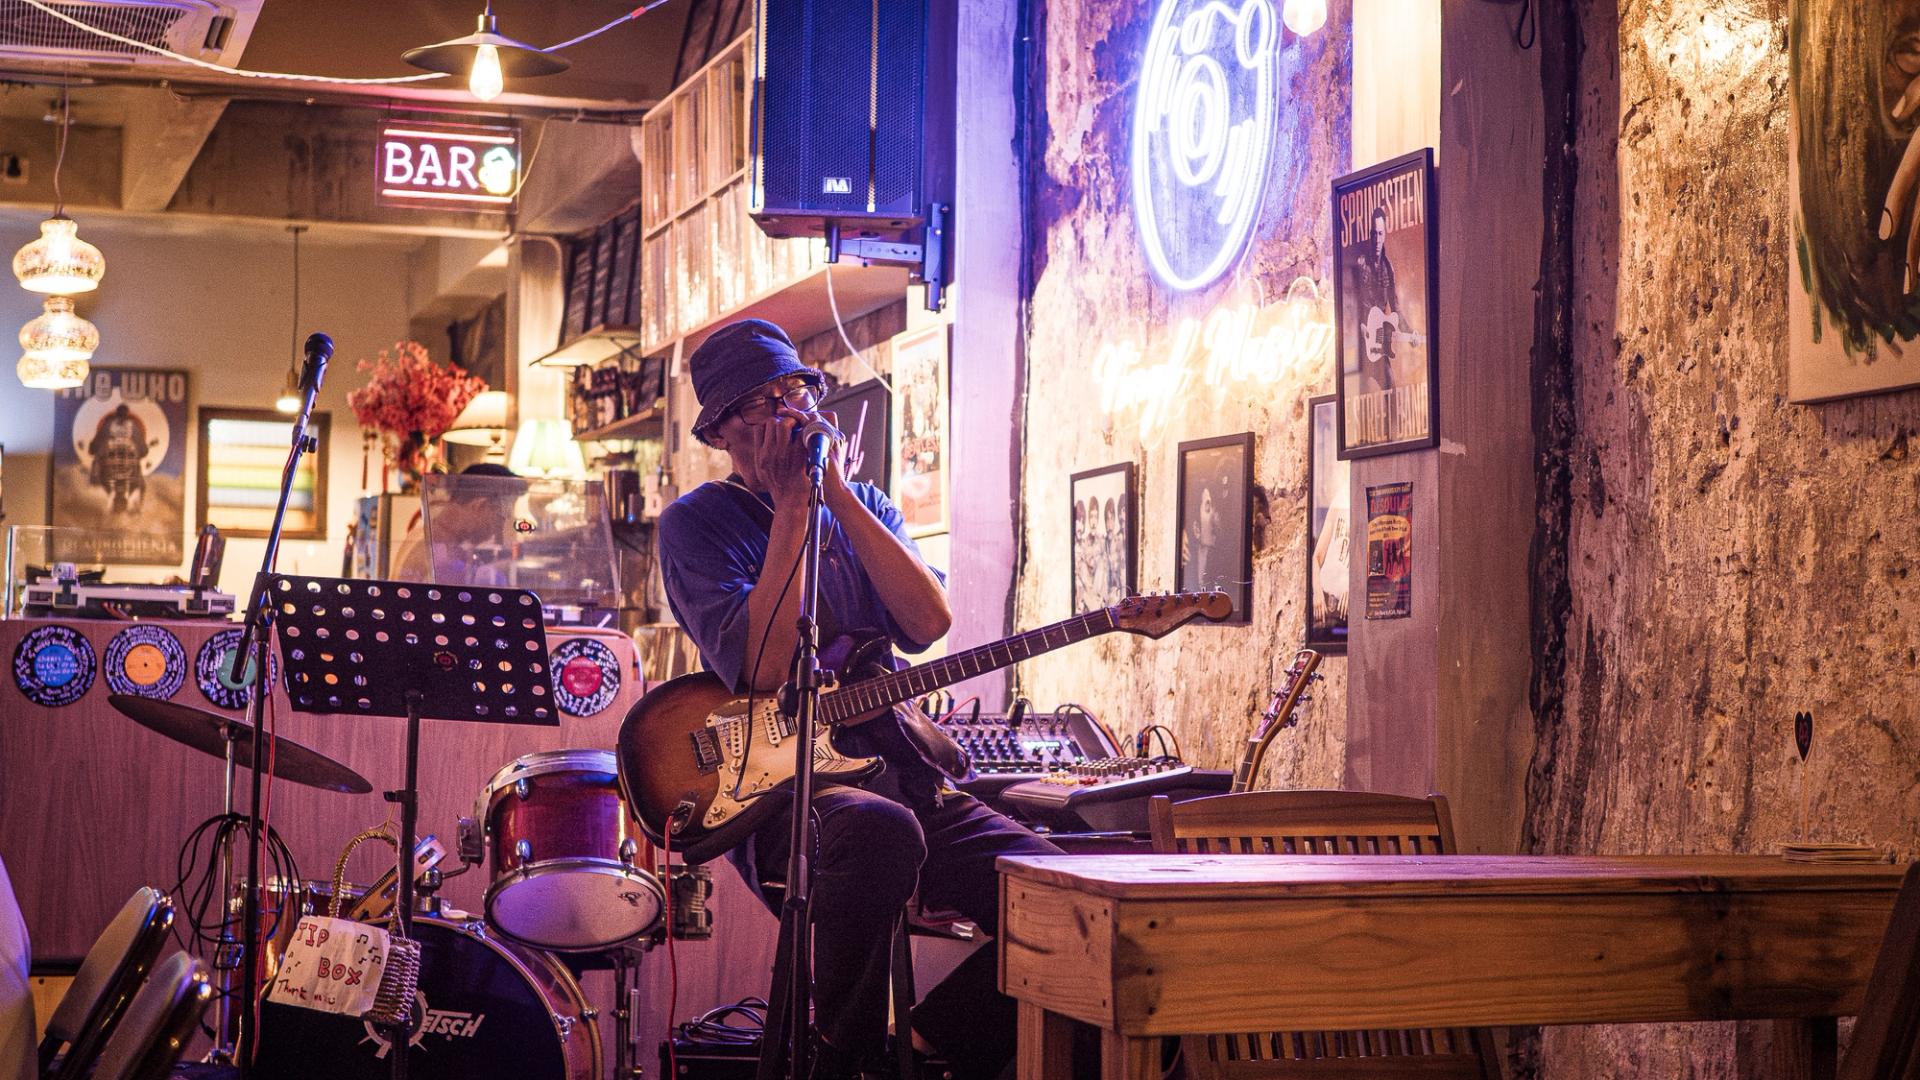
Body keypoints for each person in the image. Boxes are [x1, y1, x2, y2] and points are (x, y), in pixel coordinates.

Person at [656, 319, 1060, 1080]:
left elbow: (928, 624)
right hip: (779, 794)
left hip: (899, 772)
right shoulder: (695, 525)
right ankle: (845, 1056)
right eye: (763, 401)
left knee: (1068, 902)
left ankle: (923, 1046)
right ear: (719, 431)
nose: (791, 411)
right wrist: (791, 510)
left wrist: (835, 496)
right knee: (878, 833)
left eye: (798, 390)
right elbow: (765, 666)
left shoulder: (863, 502)